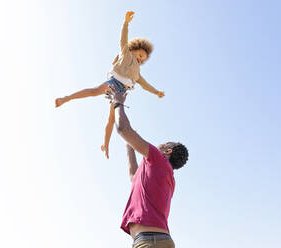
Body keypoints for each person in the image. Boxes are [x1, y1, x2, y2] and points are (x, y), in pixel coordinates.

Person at [55, 11, 164, 159]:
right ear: (132, 50)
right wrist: (125, 23)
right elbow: (123, 40)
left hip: (121, 93)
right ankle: (65, 98)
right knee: (95, 91)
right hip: (114, 83)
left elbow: (146, 85)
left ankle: (105, 145)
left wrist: (156, 92)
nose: (139, 59)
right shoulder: (126, 53)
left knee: (112, 119)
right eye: (139, 55)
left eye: (142, 59)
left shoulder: (137, 74)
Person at [109, 86, 189, 248]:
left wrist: (118, 103)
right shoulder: (166, 177)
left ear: (167, 151)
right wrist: (129, 146)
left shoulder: (158, 159)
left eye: (164, 144)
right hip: (156, 240)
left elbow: (123, 129)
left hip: (149, 241)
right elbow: (134, 176)